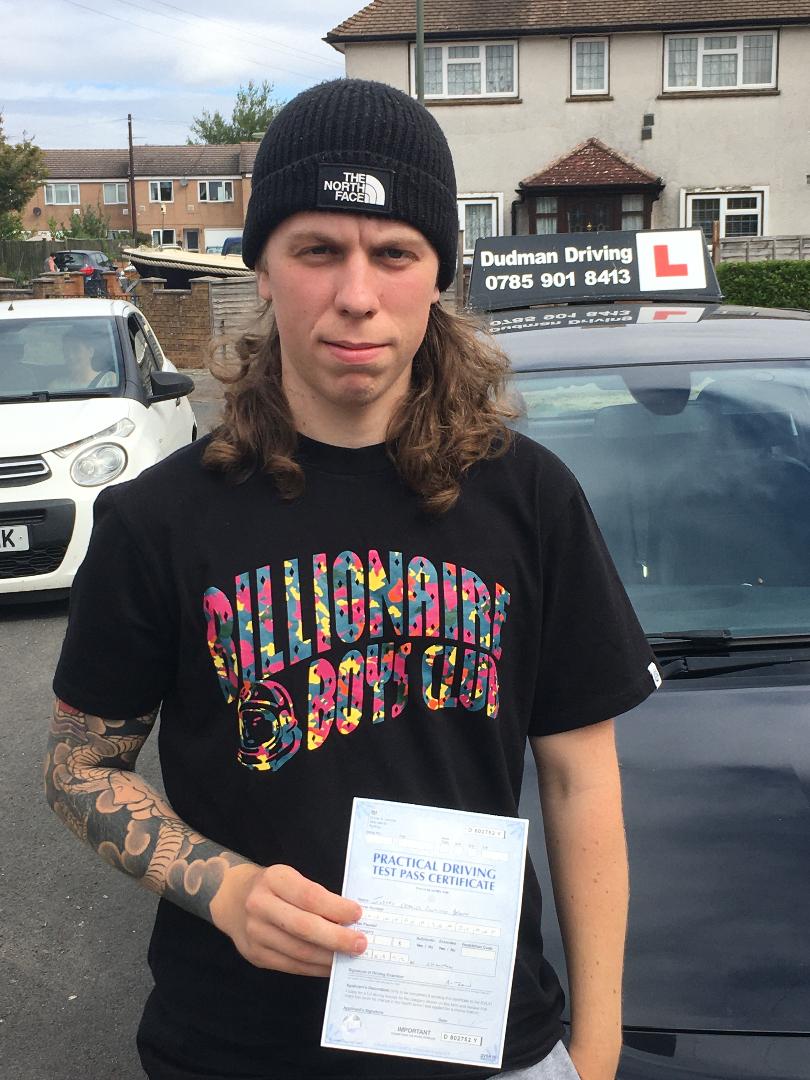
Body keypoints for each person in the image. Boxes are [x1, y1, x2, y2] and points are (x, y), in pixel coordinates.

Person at [46, 79, 659, 1080]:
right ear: (264, 267)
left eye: (395, 253)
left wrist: (594, 1049)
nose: (358, 295)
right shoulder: (159, 519)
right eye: (318, 250)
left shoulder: (531, 499)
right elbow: (79, 766)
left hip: (489, 1045)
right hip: (237, 1049)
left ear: (438, 273)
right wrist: (224, 889)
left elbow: (580, 778)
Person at [50, 329, 117, 390]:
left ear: (90, 351)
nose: (70, 356)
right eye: (66, 350)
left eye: (76, 349)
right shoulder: (56, 386)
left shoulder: (109, 379)